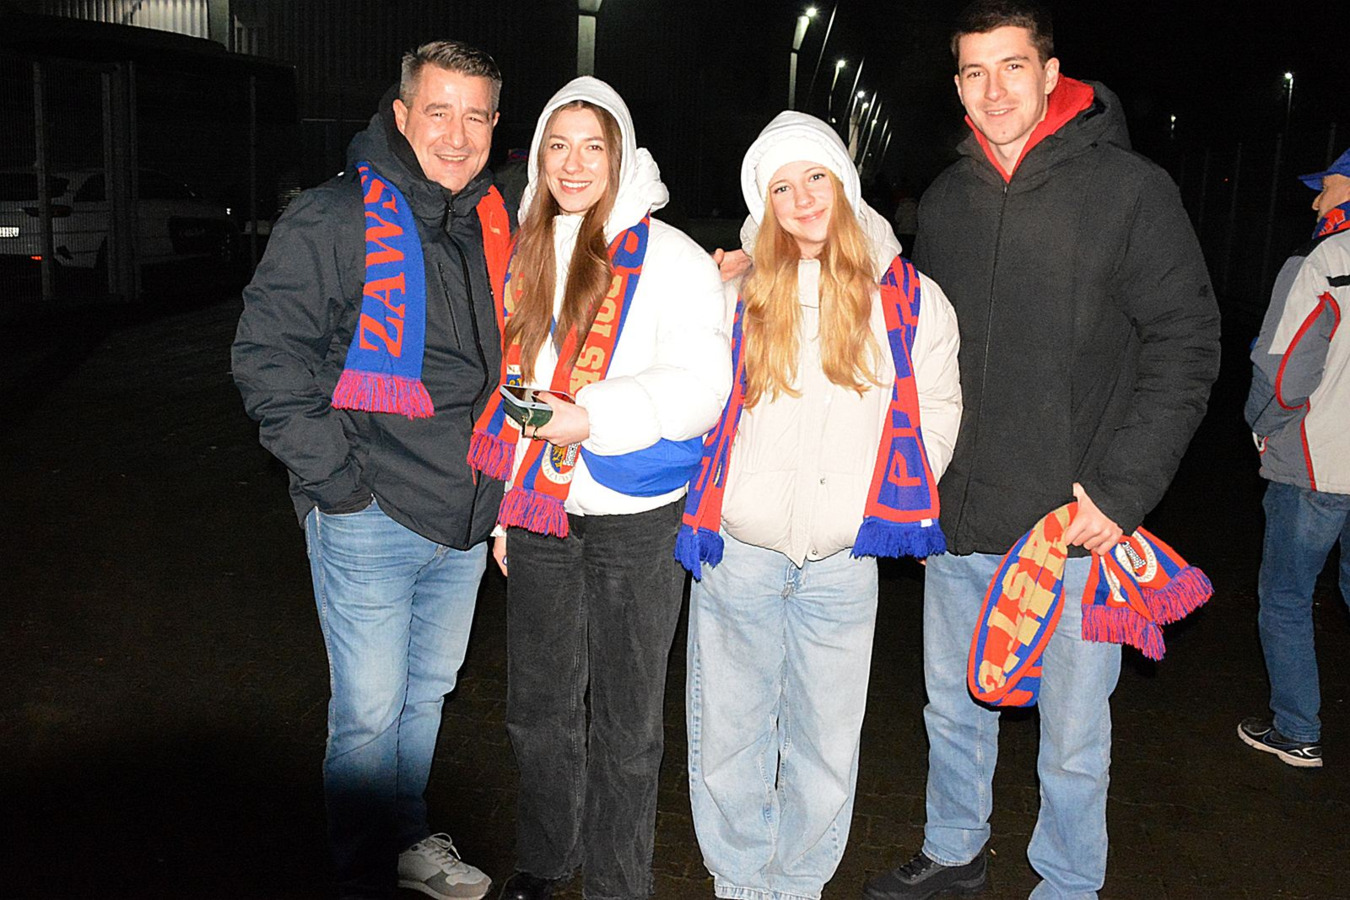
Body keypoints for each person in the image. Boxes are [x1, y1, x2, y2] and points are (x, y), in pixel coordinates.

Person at [862, 3, 1220, 899]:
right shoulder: (948, 200)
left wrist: (1121, 490)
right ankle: (955, 850)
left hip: (1073, 527)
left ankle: (1066, 882)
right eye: (974, 73)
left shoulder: (1131, 192)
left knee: (1071, 735)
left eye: (1013, 67)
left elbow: (1186, 345)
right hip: (959, 518)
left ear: (1052, 74)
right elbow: (916, 344)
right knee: (952, 707)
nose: (994, 91)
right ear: (958, 87)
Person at [232, 40, 511, 900]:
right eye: (438, 111)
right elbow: (265, 361)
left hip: (464, 517)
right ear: (400, 114)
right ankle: (359, 875)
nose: (457, 135)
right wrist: (341, 488)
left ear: (495, 125)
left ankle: (408, 841)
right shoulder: (334, 217)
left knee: (426, 696)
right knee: (368, 713)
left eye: (475, 116)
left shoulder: (490, 223)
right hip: (372, 515)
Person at [678, 111, 963, 900]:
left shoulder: (910, 300)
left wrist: (889, 495)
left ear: (845, 184)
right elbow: (689, 399)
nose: (802, 199)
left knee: (826, 746)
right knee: (729, 737)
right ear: (762, 204)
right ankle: (740, 884)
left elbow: (938, 407)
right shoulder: (732, 297)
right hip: (740, 557)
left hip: (844, 563)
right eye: (781, 187)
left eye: (816, 178)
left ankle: (799, 885)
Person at [466, 76, 730, 900]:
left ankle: (619, 882)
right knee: (538, 708)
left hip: (636, 520)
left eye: (593, 147)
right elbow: (514, 389)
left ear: (621, 156)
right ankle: (547, 859)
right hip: (540, 515)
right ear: (538, 157)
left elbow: (704, 387)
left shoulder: (673, 258)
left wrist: (594, 417)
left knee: (626, 721)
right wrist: (507, 511)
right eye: (558, 145)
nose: (574, 164)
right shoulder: (526, 252)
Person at [1238, 146, 1350, 769]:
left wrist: (1262, 429)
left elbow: (1283, 375)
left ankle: (1298, 729)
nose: (1315, 202)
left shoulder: (1322, 261)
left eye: (1326, 188)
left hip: (1317, 466)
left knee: (1285, 597)